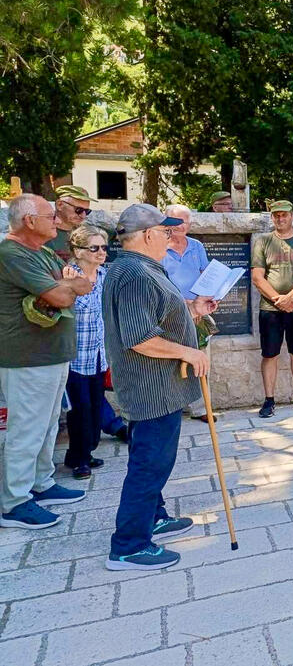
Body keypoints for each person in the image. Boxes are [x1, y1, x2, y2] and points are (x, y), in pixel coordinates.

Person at [102, 204, 217, 570]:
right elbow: (140, 337)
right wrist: (189, 350)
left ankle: (154, 515)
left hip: (157, 385)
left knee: (151, 457)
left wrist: (194, 309)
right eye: (166, 231)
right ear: (148, 235)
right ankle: (129, 545)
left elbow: (158, 312)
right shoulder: (135, 273)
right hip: (150, 387)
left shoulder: (140, 268)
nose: (171, 236)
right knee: (150, 463)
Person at [0, 195, 91, 530]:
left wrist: (66, 284)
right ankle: (14, 502)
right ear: (28, 221)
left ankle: (41, 482)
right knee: (26, 429)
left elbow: (83, 284)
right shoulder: (11, 254)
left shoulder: (45, 252)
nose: (57, 220)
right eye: (50, 215)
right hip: (27, 357)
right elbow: (62, 295)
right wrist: (65, 284)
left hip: (52, 355)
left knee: (48, 424)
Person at [251, 200, 293, 417]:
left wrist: (289, 297)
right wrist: (277, 299)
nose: (281, 219)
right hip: (270, 309)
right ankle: (269, 400)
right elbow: (257, 276)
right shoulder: (263, 242)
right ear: (272, 218)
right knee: (269, 354)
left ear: (292, 216)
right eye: (276, 215)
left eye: (285, 215)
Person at [64, 225, 112, 480]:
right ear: (78, 250)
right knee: (79, 409)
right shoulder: (68, 276)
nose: (101, 252)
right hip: (75, 356)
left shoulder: (106, 275)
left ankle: (83, 453)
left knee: (94, 407)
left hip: (98, 355)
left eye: (104, 247)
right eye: (94, 248)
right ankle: (79, 459)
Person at [161, 205, 214, 421]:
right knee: (173, 360)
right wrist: (184, 302)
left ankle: (201, 407)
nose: (183, 226)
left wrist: (210, 295)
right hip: (170, 312)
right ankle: (174, 404)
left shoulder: (197, 246)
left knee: (202, 358)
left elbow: (206, 274)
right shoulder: (159, 248)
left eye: (186, 222)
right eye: (178, 221)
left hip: (198, 312)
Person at [46, 184, 93, 261]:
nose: (83, 216)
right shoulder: (41, 232)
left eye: (87, 211)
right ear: (59, 205)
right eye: (79, 210)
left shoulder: (86, 233)